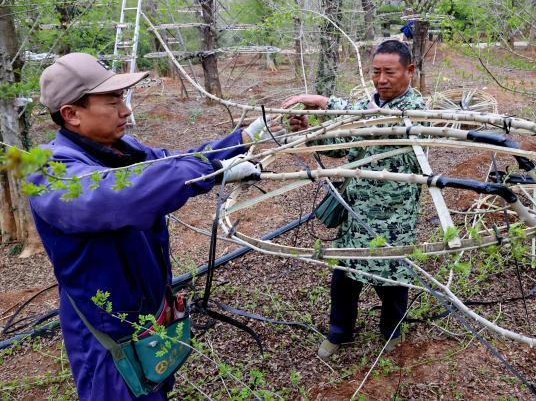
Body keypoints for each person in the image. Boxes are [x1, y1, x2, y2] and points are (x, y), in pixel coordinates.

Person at [27, 53, 277, 400]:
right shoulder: (51, 173)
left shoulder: (123, 150)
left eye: (122, 100)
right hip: (107, 341)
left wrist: (242, 139)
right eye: (112, 101)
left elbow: (177, 162)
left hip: (151, 323)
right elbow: (117, 195)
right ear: (71, 114)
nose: (125, 110)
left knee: (157, 388)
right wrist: (215, 172)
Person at [282, 40, 426, 360]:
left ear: (409, 72)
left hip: (393, 216)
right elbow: (342, 144)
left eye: (390, 72)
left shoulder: (418, 111)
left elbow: (379, 126)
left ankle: (392, 331)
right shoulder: (365, 104)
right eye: (376, 72)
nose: (382, 79)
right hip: (355, 211)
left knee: (391, 279)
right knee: (344, 278)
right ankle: (339, 331)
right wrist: (310, 131)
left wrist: (323, 101)